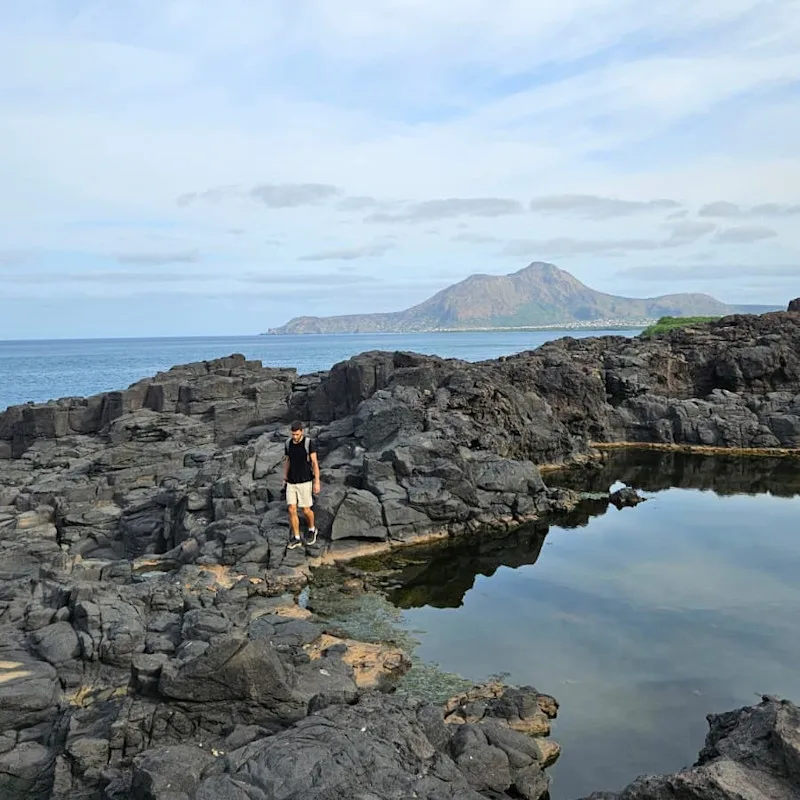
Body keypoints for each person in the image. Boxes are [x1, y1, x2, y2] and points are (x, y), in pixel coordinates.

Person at [283, 420, 320, 549]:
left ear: (302, 432)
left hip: (305, 481)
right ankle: (297, 537)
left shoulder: (309, 443)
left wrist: (317, 482)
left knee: (306, 510)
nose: (295, 437)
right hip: (291, 482)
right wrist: (285, 477)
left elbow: (314, 463)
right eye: (293, 434)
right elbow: (288, 460)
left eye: (297, 434)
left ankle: (312, 529)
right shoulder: (288, 444)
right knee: (291, 509)